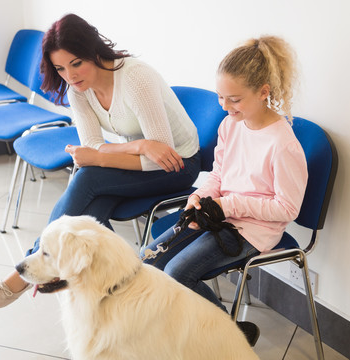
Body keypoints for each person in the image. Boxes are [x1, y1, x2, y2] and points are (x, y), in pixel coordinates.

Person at [0, 14, 200, 308]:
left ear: (94, 52)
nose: (70, 75)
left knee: (89, 177)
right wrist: (136, 146)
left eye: (76, 63)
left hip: (178, 164)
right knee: (91, 211)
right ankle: (117, 295)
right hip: (141, 159)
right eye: (60, 68)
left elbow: (161, 155)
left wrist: (103, 156)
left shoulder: (135, 78)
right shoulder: (78, 89)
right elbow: (94, 145)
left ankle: (29, 267)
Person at [143, 35, 308, 346]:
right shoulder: (230, 125)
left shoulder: (282, 144)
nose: (225, 106)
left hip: (256, 228)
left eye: (234, 99)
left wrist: (228, 206)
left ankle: (229, 335)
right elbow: (219, 174)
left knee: (177, 272)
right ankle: (202, 328)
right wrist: (198, 198)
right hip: (221, 214)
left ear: (263, 92)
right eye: (221, 97)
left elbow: (287, 209)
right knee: (148, 260)